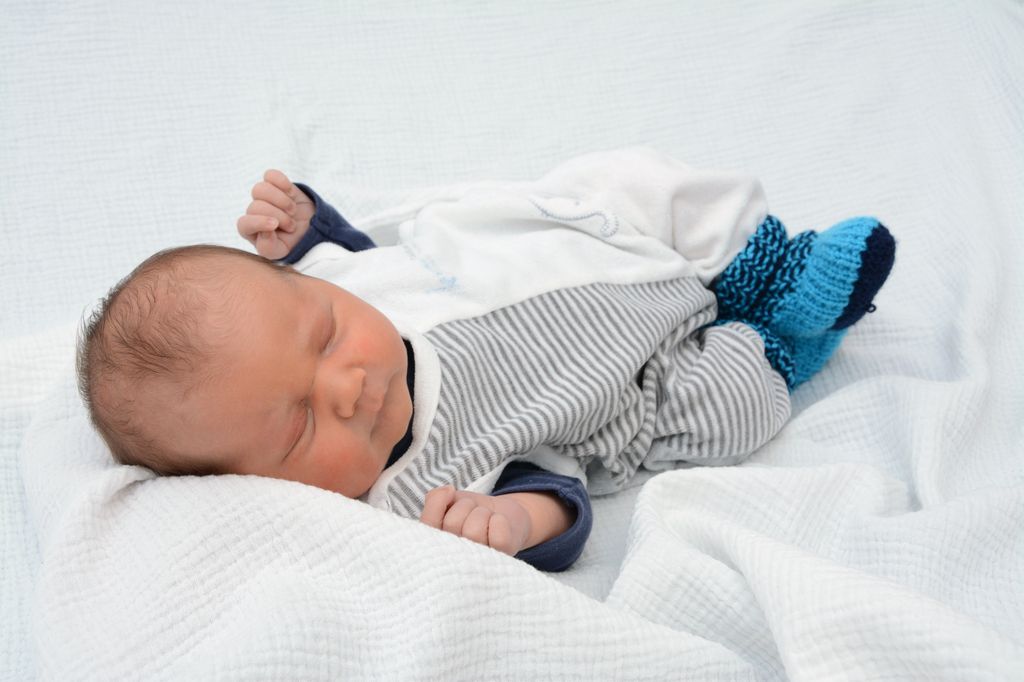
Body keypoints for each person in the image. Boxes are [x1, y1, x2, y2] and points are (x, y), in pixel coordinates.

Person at [77, 148, 895, 572]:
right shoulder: (420, 493)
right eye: (298, 427)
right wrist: (512, 524)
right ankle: (784, 340)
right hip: (644, 386)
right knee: (730, 402)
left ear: (312, 291)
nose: (347, 387)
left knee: (621, 178)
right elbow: (556, 491)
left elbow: (356, 255)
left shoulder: (336, 281)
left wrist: (307, 224)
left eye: (324, 336)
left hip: (600, 262)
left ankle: (761, 262)